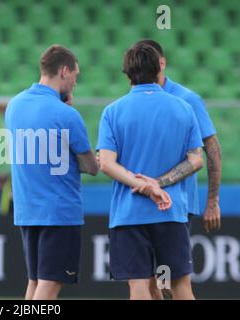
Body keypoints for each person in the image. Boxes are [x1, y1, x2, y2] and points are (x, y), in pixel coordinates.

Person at [97, 43, 204, 300]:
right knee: (179, 286)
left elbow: (106, 163)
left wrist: (145, 185)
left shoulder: (113, 111)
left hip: (129, 214)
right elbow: (196, 160)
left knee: (139, 286)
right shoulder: (183, 108)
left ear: (127, 73)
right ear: (159, 69)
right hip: (171, 212)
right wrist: (159, 183)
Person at [5, 45, 99, 300]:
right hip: (59, 211)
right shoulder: (67, 115)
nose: (75, 83)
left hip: (27, 209)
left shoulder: (14, 106)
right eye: (75, 76)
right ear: (64, 71)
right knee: (50, 284)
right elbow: (92, 167)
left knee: (35, 281)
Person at [133, 39, 222, 299]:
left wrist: (213, 200)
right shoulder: (137, 100)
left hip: (176, 207)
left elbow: (212, 148)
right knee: (152, 282)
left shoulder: (186, 99)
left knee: (171, 283)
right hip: (143, 203)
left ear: (162, 63)